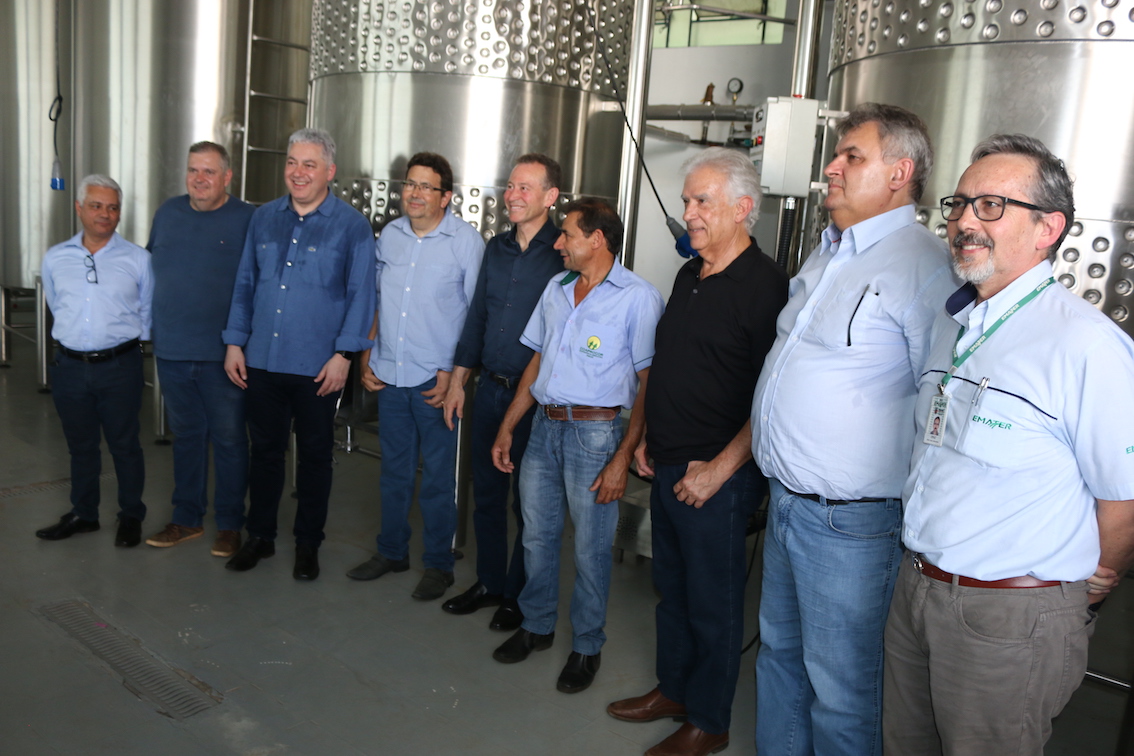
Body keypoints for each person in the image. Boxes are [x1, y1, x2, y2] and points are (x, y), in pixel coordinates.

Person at [883, 134, 1134, 754]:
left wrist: (1083, 587)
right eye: (960, 204)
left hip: (1008, 617)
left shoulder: (1086, 345)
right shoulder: (956, 324)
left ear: (1049, 227)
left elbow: (1125, 497)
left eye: (991, 206)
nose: (965, 222)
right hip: (916, 590)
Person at [749, 103, 956, 755]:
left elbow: (941, 404)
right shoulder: (829, 250)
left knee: (842, 691)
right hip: (786, 503)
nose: (832, 168)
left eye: (852, 157)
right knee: (780, 659)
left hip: (851, 524)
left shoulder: (925, 265)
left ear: (900, 173)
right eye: (835, 154)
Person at [607, 148, 788, 756]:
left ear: (742, 208)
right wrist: (647, 439)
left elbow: (772, 397)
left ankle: (709, 722)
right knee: (673, 592)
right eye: (687, 200)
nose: (688, 213)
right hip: (667, 462)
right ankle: (675, 690)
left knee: (713, 605)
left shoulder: (766, 288)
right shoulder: (690, 274)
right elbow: (670, 366)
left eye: (701, 201)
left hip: (717, 477)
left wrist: (719, 471)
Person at [489, 198, 664, 695]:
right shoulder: (556, 288)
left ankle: (587, 645)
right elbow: (537, 361)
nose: (558, 243)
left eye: (567, 234)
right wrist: (508, 426)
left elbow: (649, 382)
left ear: (597, 239)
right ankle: (536, 625)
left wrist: (624, 455)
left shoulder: (638, 297)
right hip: (545, 428)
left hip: (596, 434)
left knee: (590, 549)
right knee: (536, 537)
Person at [222, 128, 376, 581]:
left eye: (310, 164)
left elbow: (362, 295)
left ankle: (308, 543)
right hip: (262, 359)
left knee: (315, 456)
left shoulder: (352, 226)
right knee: (265, 452)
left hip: (319, 366)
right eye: (292, 162)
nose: (298, 172)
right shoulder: (263, 218)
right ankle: (260, 537)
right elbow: (245, 283)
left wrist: (344, 355)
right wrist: (234, 342)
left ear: (329, 171)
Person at [346, 152, 485, 601]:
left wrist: (453, 375)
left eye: (427, 186)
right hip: (390, 374)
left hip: (435, 382)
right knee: (394, 473)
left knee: (439, 480)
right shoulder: (390, 235)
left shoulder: (465, 243)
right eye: (410, 184)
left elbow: (476, 318)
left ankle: (439, 565)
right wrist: (367, 354)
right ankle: (392, 552)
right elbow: (377, 301)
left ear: (446, 197)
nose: (415, 193)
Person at [439, 154, 565, 629]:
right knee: (487, 496)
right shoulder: (497, 248)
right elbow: (477, 318)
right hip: (489, 389)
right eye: (510, 186)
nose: (512, 195)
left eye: (524, 188)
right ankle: (490, 582)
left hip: (535, 401)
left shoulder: (564, 253)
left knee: (528, 505)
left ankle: (517, 595)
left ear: (550, 197)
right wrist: (458, 381)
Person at [144, 141, 255, 558]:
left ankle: (229, 525)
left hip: (223, 354)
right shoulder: (167, 213)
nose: (200, 179)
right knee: (187, 437)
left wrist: (240, 342)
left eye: (209, 171)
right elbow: (151, 271)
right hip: (172, 349)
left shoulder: (247, 219)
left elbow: (258, 285)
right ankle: (187, 518)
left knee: (229, 440)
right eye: (193, 170)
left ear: (227, 177)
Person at [36, 174, 153, 548]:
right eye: (96, 206)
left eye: (113, 207)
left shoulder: (138, 259)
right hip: (70, 368)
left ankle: (131, 515)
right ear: (79, 208)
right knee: (81, 447)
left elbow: (147, 311)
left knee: (125, 445)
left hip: (120, 367)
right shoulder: (55, 258)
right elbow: (57, 304)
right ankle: (84, 514)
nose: (105, 214)